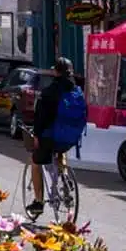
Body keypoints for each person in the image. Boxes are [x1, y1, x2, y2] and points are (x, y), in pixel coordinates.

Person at [27, 57, 87, 218]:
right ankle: (65, 177)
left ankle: (38, 202)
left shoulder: (49, 92)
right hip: (70, 138)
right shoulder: (77, 91)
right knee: (60, 152)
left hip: (50, 136)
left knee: (35, 162)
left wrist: (36, 135)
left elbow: (40, 118)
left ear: (56, 72)